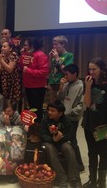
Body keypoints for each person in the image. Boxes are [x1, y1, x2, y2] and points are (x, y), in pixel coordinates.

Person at [40, 100, 82, 188]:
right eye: (48, 110)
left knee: (69, 149)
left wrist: (61, 136)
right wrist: (52, 139)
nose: (49, 112)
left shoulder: (66, 120)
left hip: (62, 142)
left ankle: (74, 178)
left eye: (52, 111)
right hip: (49, 142)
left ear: (60, 113)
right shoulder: (45, 119)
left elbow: (70, 135)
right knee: (50, 149)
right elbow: (42, 134)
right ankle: (61, 177)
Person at [82, 58, 107, 188]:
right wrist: (87, 87)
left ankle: (102, 182)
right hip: (89, 124)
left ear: (101, 69)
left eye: (94, 69)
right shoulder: (88, 82)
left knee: (103, 153)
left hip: (103, 126)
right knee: (91, 152)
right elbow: (87, 104)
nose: (91, 72)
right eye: (89, 69)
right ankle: (92, 180)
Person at [57, 64, 84, 172]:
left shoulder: (81, 86)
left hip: (72, 118)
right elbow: (59, 99)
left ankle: (79, 164)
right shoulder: (66, 84)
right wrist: (60, 87)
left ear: (75, 74)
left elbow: (81, 106)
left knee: (72, 140)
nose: (65, 76)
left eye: (67, 74)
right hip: (63, 117)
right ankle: (68, 163)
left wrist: (68, 113)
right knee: (64, 140)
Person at [19, 37, 49, 122]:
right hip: (28, 85)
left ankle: (37, 129)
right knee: (31, 108)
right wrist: (22, 56)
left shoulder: (40, 55)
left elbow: (44, 71)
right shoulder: (26, 54)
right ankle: (33, 128)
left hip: (37, 87)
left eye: (25, 45)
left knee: (37, 109)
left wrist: (28, 71)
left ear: (32, 46)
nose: (24, 46)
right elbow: (21, 67)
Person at [48, 36, 74, 102]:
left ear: (63, 44)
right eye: (53, 44)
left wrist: (57, 59)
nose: (54, 46)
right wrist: (50, 59)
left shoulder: (69, 55)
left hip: (62, 84)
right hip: (52, 83)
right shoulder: (54, 56)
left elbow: (66, 71)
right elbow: (49, 70)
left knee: (61, 104)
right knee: (52, 104)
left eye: (56, 44)